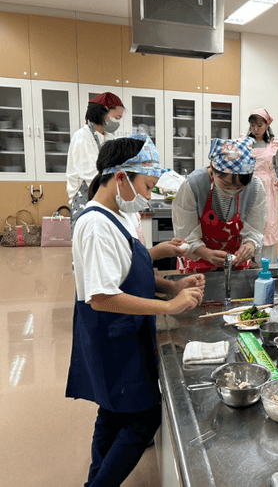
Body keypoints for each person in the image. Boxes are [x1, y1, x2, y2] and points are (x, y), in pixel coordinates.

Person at [66, 137, 205, 487]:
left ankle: (95, 480)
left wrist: (170, 285)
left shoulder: (118, 214)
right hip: (112, 333)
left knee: (112, 412)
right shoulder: (95, 224)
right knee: (141, 418)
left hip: (125, 331)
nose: (148, 195)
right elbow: (102, 296)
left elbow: (130, 266)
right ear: (120, 177)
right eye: (146, 185)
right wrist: (168, 305)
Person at [172, 136, 267, 272]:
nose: (233, 191)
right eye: (227, 184)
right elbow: (185, 234)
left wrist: (250, 245)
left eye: (240, 187)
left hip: (236, 261)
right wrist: (206, 253)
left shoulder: (255, 188)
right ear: (212, 168)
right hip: (198, 260)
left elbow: (255, 229)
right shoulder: (194, 186)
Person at [66, 92, 125, 232]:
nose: (117, 122)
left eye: (120, 119)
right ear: (102, 112)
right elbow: (91, 175)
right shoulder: (82, 137)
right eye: (116, 118)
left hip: (105, 196)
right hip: (87, 198)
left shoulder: (109, 137)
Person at [247, 108, 278, 263]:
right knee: (250, 221)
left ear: (267, 125)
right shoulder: (246, 143)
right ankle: (249, 261)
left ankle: (267, 264)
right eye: (252, 126)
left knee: (267, 222)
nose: (256, 129)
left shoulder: (273, 144)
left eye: (259, 125)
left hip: (268, 189)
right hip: (249, 187)